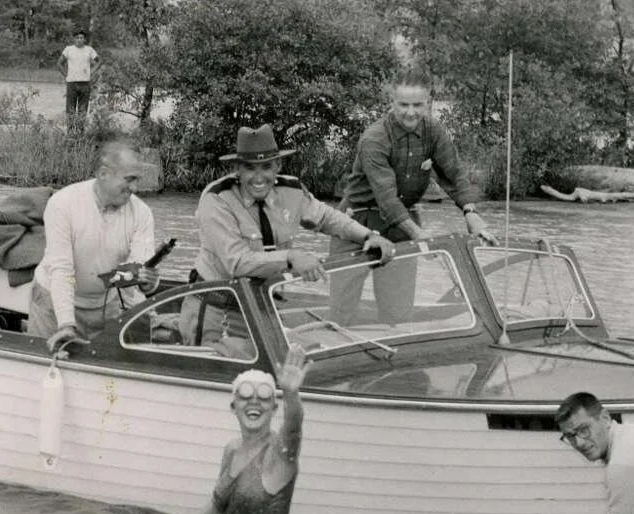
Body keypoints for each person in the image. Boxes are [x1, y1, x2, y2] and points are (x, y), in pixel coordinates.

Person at [180, 123, 395, 346]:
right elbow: (237, 262)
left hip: (261, 307)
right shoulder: (216, 199)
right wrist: (291, 258)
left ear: (278, 166)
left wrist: (369, 236)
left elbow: (328, 218)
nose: (259, 177)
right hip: (215, 309)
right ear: (238, 170)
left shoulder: (290, 190)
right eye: (250, 168)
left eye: (266, 167)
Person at [329, 65, 497, 326]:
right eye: (403, 105)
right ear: (392, 102)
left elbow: (454, 175)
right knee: (341, 315)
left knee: (398, 316)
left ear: (428, 102)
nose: (410, 112)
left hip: (401, 228)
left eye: (418, 105)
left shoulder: (435, 132)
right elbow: (387, 199)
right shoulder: (374, 138)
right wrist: (419, 235)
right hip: (355, 225)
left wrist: (471, 213)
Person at [181, 344, 313, 514]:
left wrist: (290, 393)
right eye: (245, 395)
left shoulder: (279, 453)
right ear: (234, 406)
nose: (255, 402)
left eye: (264, 396)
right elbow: (220, 507)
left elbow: (294, 428)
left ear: (274, 409)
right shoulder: (231, 450)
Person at [27, 140, 159, 352]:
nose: (134, 188)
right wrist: (66, 324)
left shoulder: (142, 213)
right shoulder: (63, 203)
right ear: (103, 173)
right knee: (43, 367)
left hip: (106, 304)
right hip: (52, 302)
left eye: (137, 180)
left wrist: (148, 283)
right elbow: (61, 269)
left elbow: (138, 269)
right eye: (129, 179)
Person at [57, 29, 100, 135]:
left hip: (85, 84)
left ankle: (80, 134)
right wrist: (66, 75)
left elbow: (99, 61)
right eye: (77, 38)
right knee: (70, 110)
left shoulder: (89, 50)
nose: (79, 40)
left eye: (81, 38)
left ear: (84, 39)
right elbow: (59, 63)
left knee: (83, 110)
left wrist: (92, 72)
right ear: (74, 39)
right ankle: (70, 133)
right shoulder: (68, 49)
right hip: (72, 84)